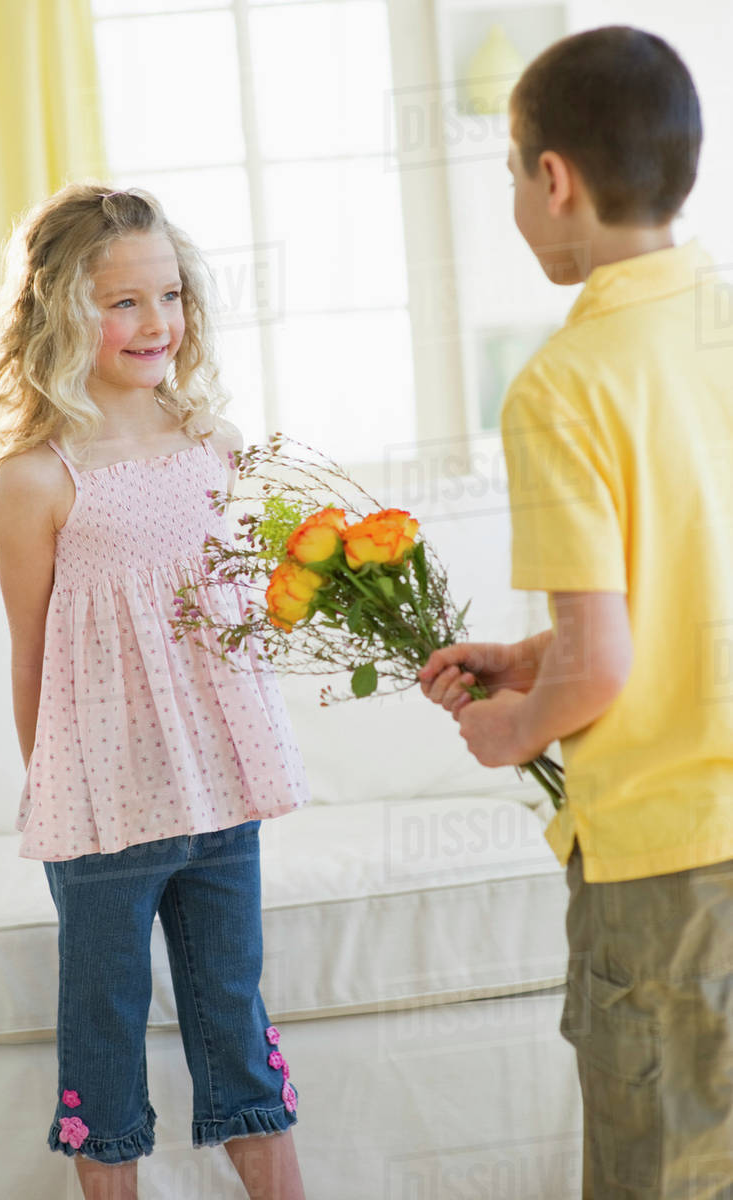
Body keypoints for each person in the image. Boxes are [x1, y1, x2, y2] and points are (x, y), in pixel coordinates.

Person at [419, 25, 733, 1198]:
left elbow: (603, 667)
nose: (514, 194)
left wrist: (513, 726)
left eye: (509, 170)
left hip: (664, 872)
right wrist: (533, 655)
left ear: (553, 178)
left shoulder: (564, 381)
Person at [0, 182, 309, 1200]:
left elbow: (236, 618)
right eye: (122, 301)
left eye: (167, 295)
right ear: (60, 312)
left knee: (237, 1028)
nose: (155, 321)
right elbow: (32, 658)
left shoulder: (214, 447)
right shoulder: (38, 480)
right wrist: (56, 790)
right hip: (103, 816)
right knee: (105, 1039)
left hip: (219, 796)